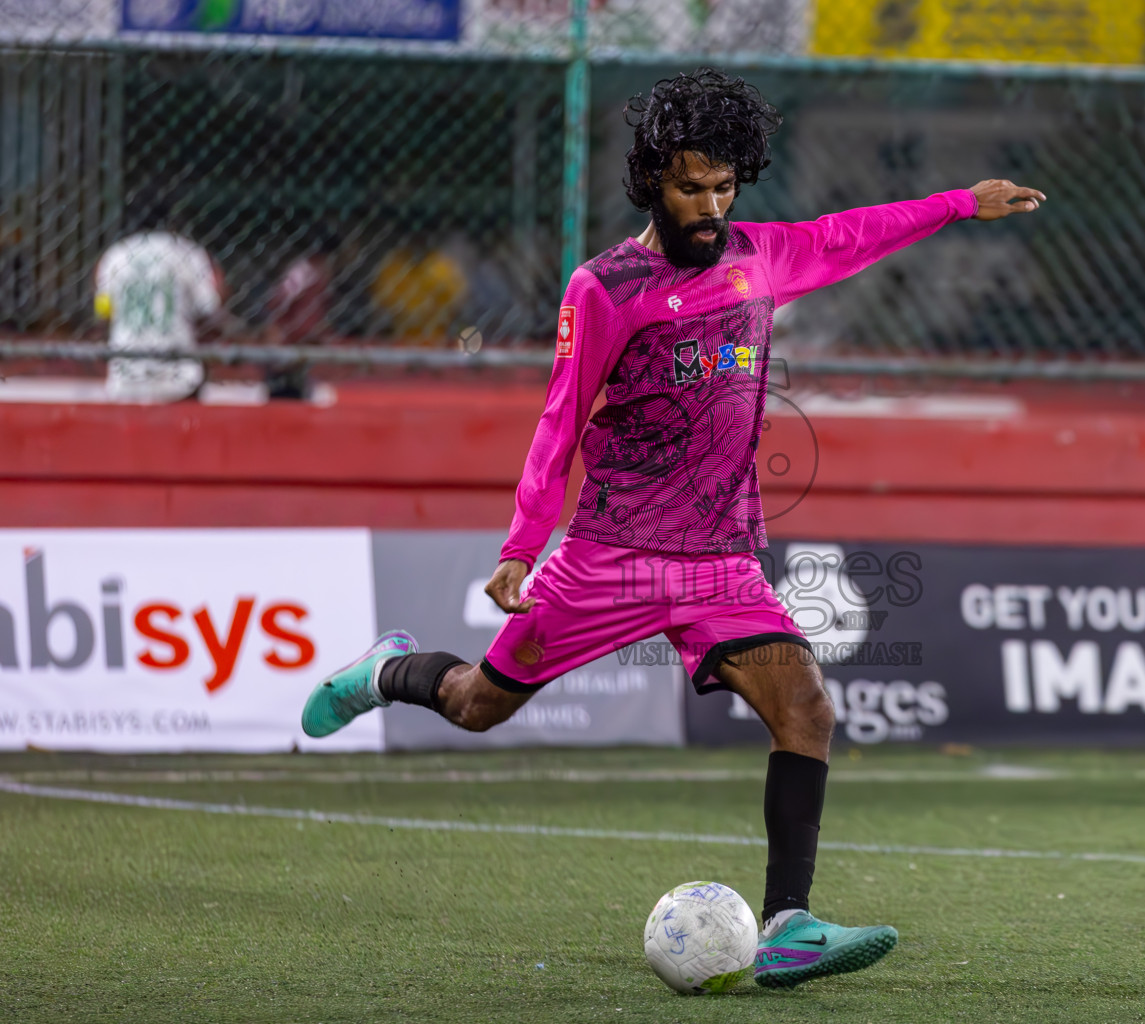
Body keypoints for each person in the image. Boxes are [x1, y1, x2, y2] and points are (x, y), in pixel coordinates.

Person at [300, 67, 1045, 989]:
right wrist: (523, 545)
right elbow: (560, 418)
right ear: (653, 178)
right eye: (691, 187)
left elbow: (850, 234)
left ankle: (789, 924)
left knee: (807, 708)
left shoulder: (761, 254)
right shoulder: (605, 286)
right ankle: (387, 668)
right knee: (477, 707)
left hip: (723, 561)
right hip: (608, 554)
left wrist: (961, 205)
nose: (709, 205)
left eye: (724, 187)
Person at [94, 201, 224, 403]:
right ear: (171, 222)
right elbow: (209, 307)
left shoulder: (115, 256)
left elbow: (103, 312)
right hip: (178, 374)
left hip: (126, 373)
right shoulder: (186, 252)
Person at [264, 232, 339, 400]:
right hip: (288, 341)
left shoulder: (321, 273)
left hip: (302, 343)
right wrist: (276, 334)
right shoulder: (303, 271)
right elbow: (278, 302)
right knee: (283, 396)